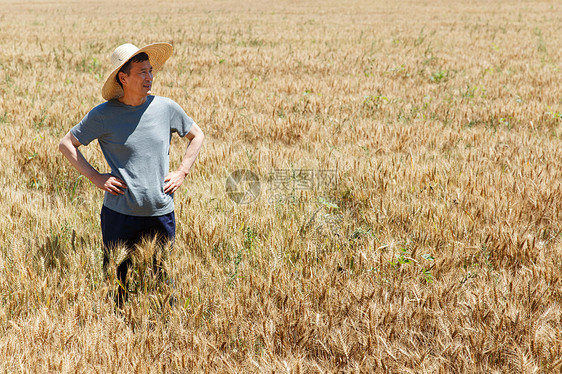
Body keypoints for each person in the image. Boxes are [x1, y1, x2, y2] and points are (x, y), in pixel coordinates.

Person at [59, 42, 204, 301]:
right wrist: (96, 176)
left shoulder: (166, 108)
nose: (149, 78)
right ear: (123, 78)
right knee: (118, 288)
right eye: (142, 72)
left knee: (162, 288)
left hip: (160, 211)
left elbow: (197, 135)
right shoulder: (103, 115)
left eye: (151, 71)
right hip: (119, 215)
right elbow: (66, 144)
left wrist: (182, 171)